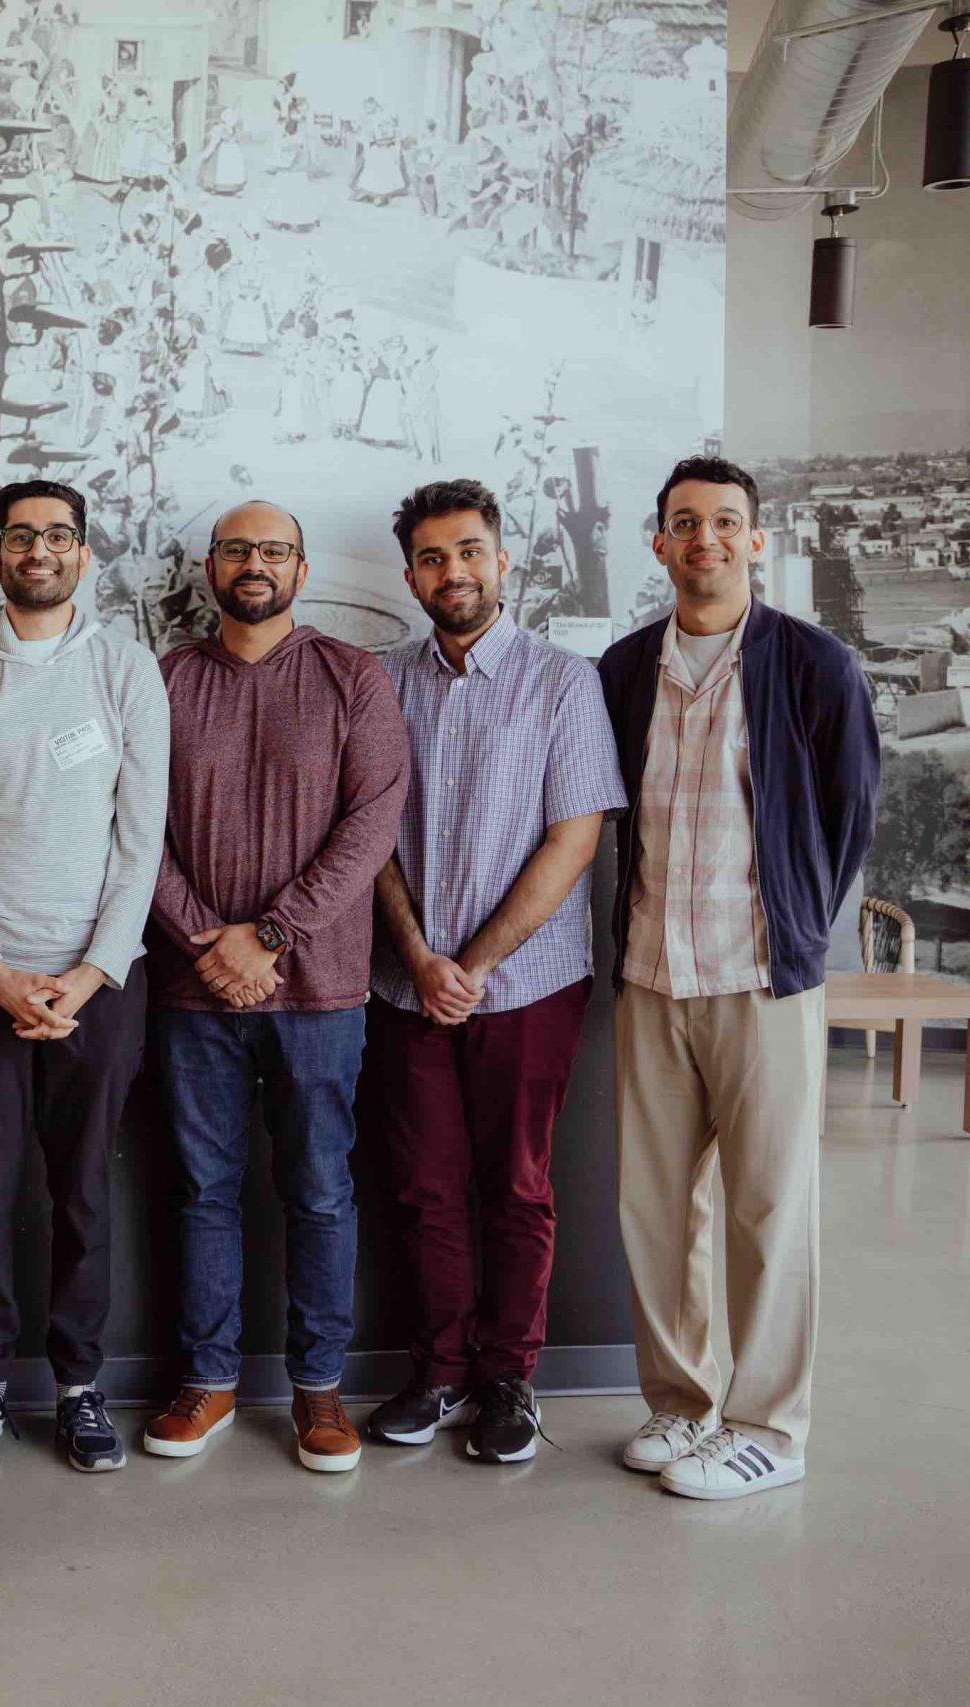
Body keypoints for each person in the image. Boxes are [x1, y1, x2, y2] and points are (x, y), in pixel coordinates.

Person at [598, 457, 878, 1500]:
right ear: (658, 542)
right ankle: (680, 1408)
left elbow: (847, 818)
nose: (705, 538)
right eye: (685, 522)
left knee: (770, 1208)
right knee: (656, 1211)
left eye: (726, 522)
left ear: (756, 542)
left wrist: (797, 920)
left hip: (762, 977)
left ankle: (768, 1425)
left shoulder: (814, 665)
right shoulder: (625, 669)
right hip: (648, 973)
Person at [141, 499, 409, 1475]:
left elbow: (369, 827)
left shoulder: (352, 676)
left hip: (322, 991)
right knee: (202, 1191)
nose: (254, 563)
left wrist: (268, 935)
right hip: (189, 988)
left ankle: (319, 1387)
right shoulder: (162, 681)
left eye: (273, 549)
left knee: (320, 1195)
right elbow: (137, 831)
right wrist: (204, 940)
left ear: (300, 567)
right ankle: (209, 1380)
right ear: (209, 567)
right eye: (236, 549)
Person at [360, 481, 625, 1464]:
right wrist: (418, 960)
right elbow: (368, 836)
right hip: (404, 984)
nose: (452, 571)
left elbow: (572, 841)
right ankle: (436, 1373)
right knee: (424, 1188)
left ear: (503, 562)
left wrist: (466, 966)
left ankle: (508, 1380)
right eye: (431, 557)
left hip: (528, 984)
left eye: (468, 551)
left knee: (515, 1186)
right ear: (410, 576)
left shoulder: (564, 681)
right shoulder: (380, 681)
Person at [0, 480, 170, 1475]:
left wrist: (89, 974)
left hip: (97, 986)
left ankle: (77, 1388)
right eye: (20, 536)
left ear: (83, 556)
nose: (39, 551)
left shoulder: (124, 668)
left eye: (58, 535)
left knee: (83, 1200)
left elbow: (139, 841)